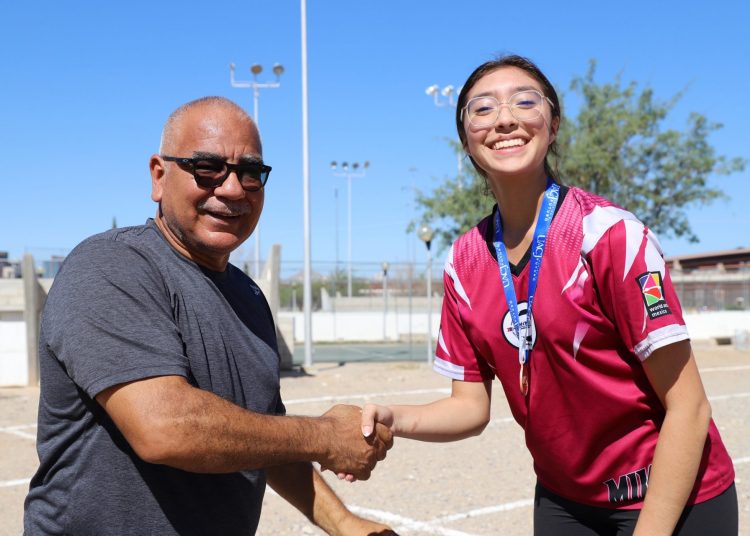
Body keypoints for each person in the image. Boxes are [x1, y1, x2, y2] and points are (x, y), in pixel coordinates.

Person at [361, 55, 737, 535]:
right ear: (466, 140)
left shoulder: (609, 236)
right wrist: (393, 417)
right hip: (565, 499)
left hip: (672, 496)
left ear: (553, 125)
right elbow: (470, 407)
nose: (504, 119)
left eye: (524, 101)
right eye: (483, 108)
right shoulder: (464, 261)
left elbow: (689, 407)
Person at [24, 96, 395, 536]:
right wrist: (325, 437)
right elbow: (164, 427)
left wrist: (345, 524)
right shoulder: (110, 266)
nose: (233, 189)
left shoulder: (249, 296)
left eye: (250, 173)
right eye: (207, 167)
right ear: (159, 176)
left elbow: (264, 438)